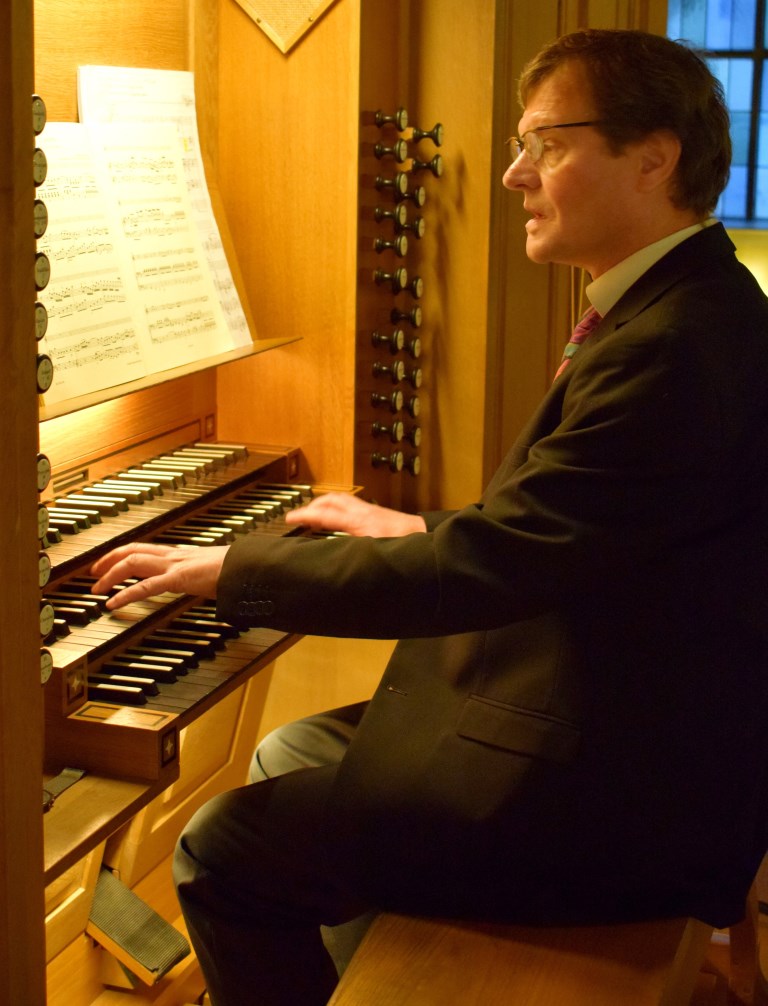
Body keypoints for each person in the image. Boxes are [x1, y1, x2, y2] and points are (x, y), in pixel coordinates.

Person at [90, 27, 768, 1006]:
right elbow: (576, 526)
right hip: (634, 722)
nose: (511, 174)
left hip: (622, 794)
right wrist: (408, 529)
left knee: (225, 846)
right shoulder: (685, 305)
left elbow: (497, 566)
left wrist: (228, 571)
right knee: (294, 750)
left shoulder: (673, 347)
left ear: (653, 157)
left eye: (545, 144)